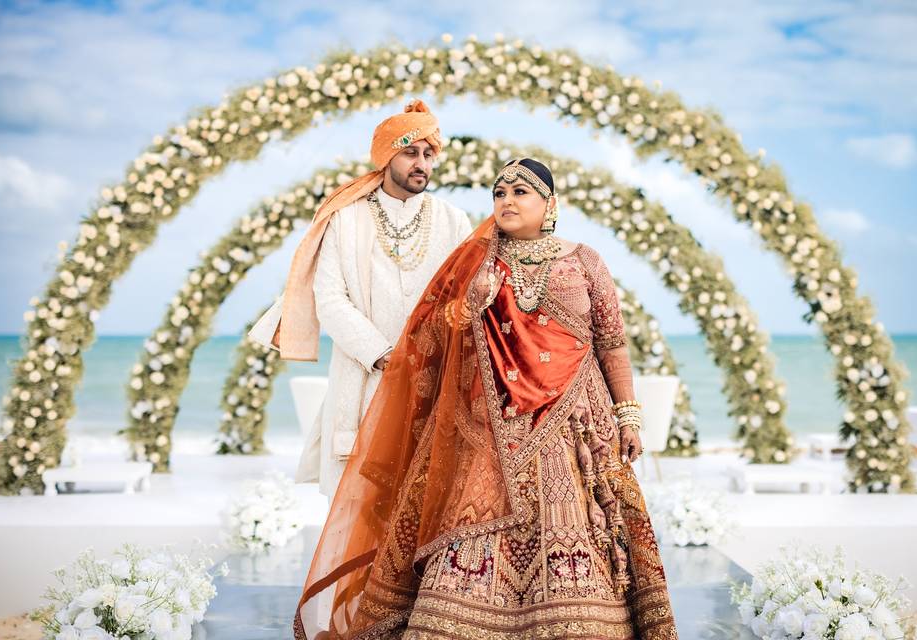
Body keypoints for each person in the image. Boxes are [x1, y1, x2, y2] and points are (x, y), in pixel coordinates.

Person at [293, 158, 678, 639]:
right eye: (500, 193)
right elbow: (436, 332)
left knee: (577, 519)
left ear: (550, 204)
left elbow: (612, 342)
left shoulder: (584, 260)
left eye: (522, 192)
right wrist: (470, 305)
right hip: (490, 424)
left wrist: (628, 416)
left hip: (574, 420)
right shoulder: (473, 261)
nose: (508, 202)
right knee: (474, 521)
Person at [266, 99, 473, 500]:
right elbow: (329, 298)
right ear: (386, 157)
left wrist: (427, 353)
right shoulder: (347, 219)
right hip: (364, 380)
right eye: (411, 152)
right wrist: (384, 355)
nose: (422, 164)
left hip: (433, 380)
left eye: (429, 154)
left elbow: (463, 297)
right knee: (360, 509)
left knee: (425, 507)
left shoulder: (453, 220)